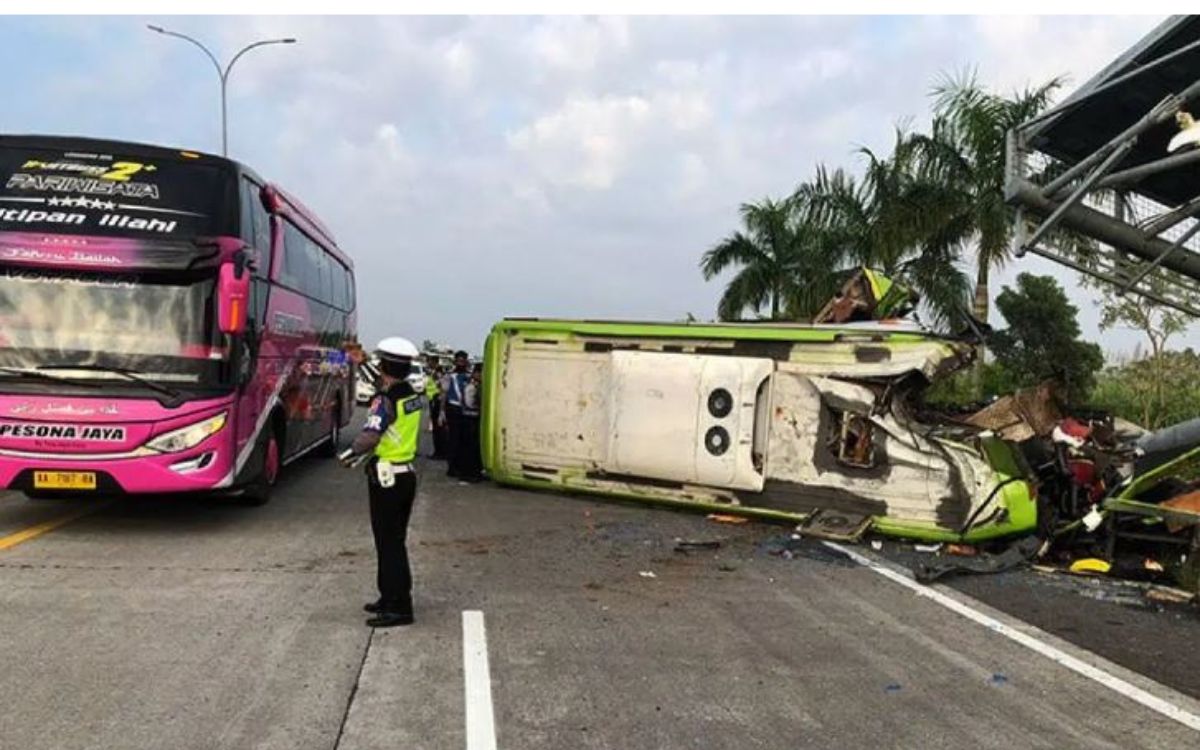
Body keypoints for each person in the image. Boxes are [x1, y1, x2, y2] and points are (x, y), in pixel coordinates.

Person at [338, 336, 424, 628]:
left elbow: (371, 435)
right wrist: (362, 363)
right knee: (393, 542)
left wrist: (348, 454)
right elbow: (382, 384)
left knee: (389, 544)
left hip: (388, 479)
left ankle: (399, 607)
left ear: (386, 365)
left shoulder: (385, 400)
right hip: (405, 475)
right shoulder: (410, 393)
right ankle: (390, 596)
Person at [439, 350, 471, 478]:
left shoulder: (469, 376)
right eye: (459, 361)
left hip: (466, 411)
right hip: (453, 409)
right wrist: (442, 412)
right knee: (453, 440)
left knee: (465, 440)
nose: (461, 363)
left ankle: (462, 466)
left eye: (463, 361)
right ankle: (452, 467)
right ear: (455, 362)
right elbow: (443, 394)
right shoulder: (449, 376)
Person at [460, 362, 484, 483]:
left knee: (475, 448)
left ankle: (475, 472)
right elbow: (469, 404)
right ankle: (469, 474)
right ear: (476, 373)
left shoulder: (479, 385)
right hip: (470, 419)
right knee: (470, 448)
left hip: (475, 419)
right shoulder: (471, 386)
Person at [425, 363, 447, 460]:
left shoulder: (439, 377)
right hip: (433, 401)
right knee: (437, 430)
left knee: (438, 431)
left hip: (436, 403)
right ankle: (439, 452)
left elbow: (441, 391)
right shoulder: (433, 375)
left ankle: (439, 452)